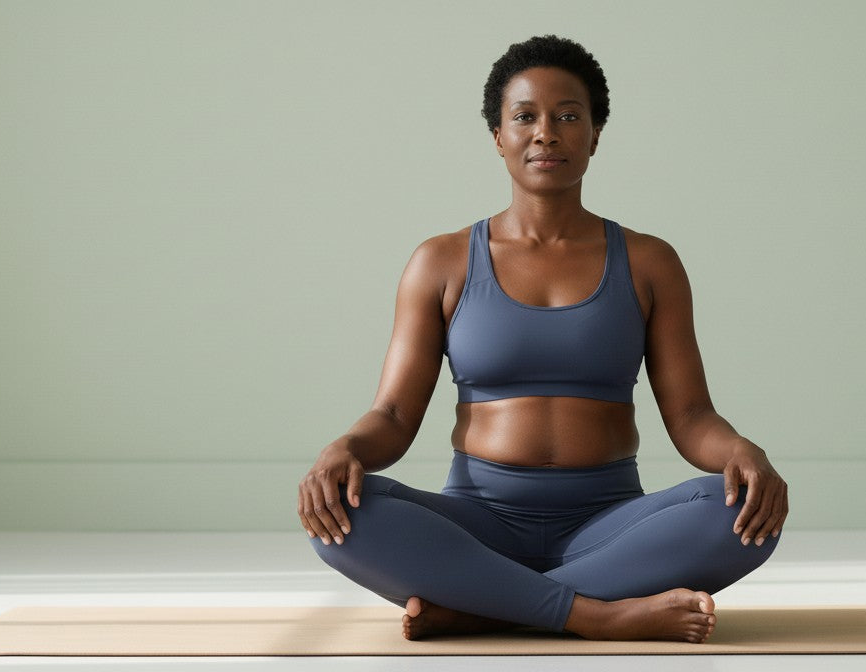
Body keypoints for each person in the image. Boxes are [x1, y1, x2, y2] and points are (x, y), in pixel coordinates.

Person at [296, 35, 788, 644]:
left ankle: (485, 604)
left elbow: (690, 416)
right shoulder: (441, 262)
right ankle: (596, 613)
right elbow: (393, 414)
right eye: (525, 117)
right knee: (341, 514)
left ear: (595, 134)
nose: (545, 133)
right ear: (498, 136)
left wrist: (743, 452)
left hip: (610, 522)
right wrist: (343, 449)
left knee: (742, 511)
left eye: (568, 116)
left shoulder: (650, 262)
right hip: (477, 523)